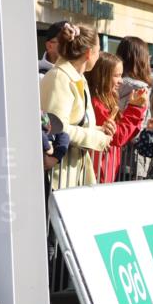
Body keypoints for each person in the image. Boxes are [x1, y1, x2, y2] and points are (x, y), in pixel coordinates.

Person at [39, 23, 111, 188]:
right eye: (98, 51)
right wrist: (97, 138)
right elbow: (54, 127)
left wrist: (99, 129)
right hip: (57, 176)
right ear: (88, 53)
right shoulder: (59, 77)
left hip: (71, 172)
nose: (99, 56)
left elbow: (73, 123)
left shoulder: (78, 77)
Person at [85, 52, 147, 183]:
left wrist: (135, 108)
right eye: (116, 75)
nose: (121, 80)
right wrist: (135, 108)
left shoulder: (107, 99)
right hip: (98, 171)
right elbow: (118, 136)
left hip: (106, 169)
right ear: (102, 76)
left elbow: (124, 135)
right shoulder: (96, 103)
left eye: (121, 75)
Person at [115, 36, 153, 112]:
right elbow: (142, 118)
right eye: (148, 57)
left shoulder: (110, 83)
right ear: (143, 60)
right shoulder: (141, 89)